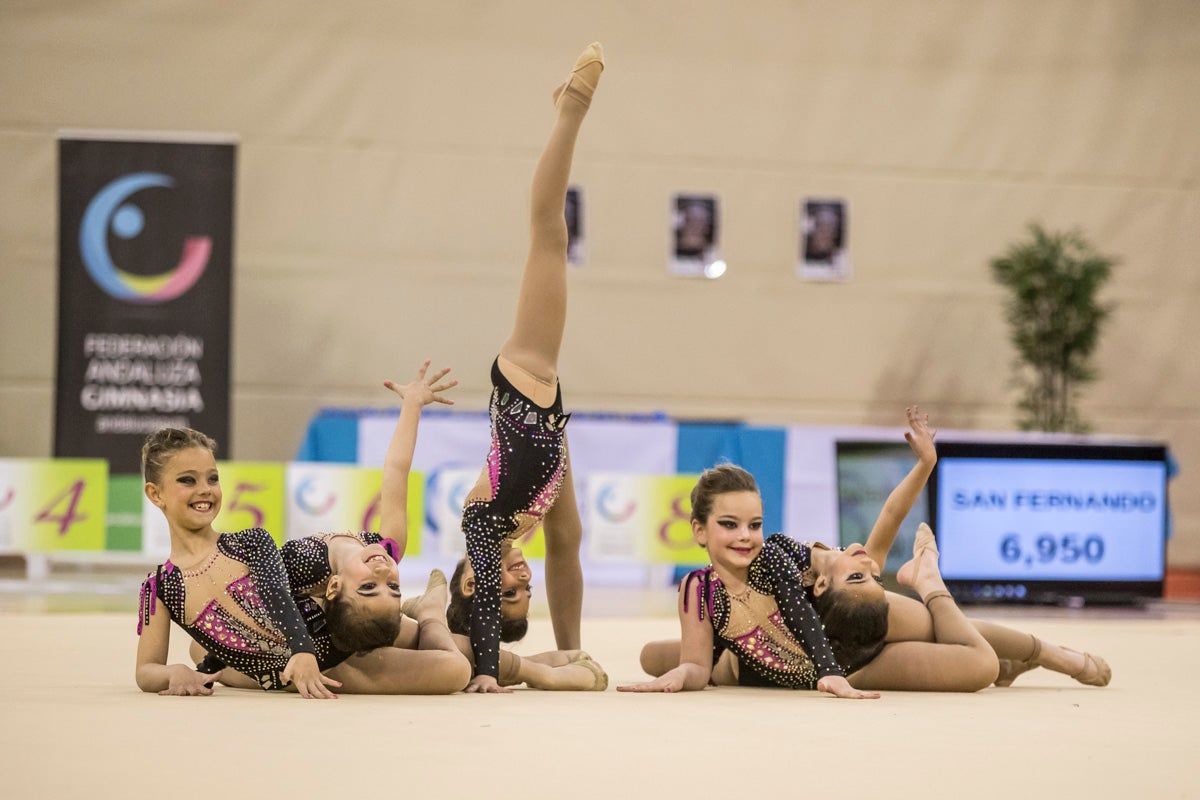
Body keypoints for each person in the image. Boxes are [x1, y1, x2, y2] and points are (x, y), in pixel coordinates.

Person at [446, 42, 605, 694]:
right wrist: (567, 658)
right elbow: (562, 550)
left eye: (503, 590)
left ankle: (569, 109)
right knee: (567, 536)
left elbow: (475, 612)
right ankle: (573, 646)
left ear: (474, 579)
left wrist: (489, 668)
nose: (518, 581)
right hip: (545, 414)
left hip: (524, 382)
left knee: (549, 232)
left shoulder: (482, 527)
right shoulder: (523, 526)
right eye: (521, 596)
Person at [616, 464, 877, 698]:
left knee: (918, 646)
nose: (744, 535)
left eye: (754, 526)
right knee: (651, 656)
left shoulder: (770, 559)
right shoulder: (699, 588)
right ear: (699, 530)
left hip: (845, 653)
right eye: (730, 524)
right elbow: (697, 666)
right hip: (781, 671)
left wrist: (830, 671)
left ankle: (920, 583)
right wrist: (682, 674)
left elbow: (799, 611)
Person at [135, 427, 342, 698]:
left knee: (414, 638)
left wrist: (303, 650)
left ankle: (418, 608)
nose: (205, 490)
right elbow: (145, 671)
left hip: (339, 647)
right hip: (294, 678)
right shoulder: (161, 587)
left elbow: (277, 595)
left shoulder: (249, 542)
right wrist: (174, 672)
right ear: (155, 494)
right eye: (188, 480)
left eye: (212, 479)